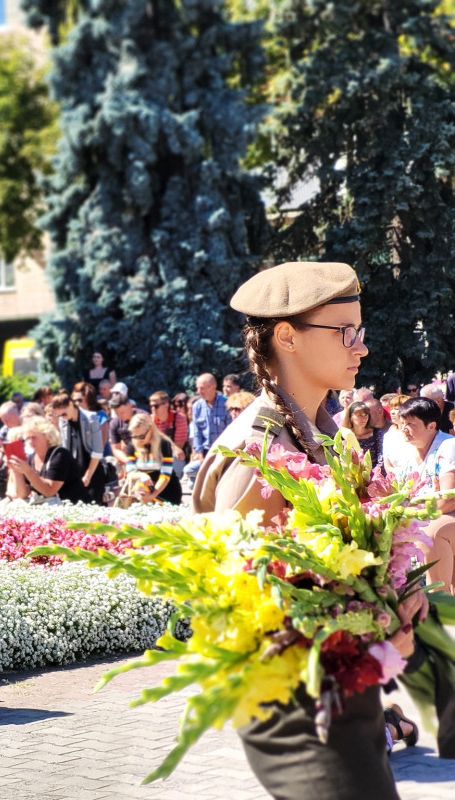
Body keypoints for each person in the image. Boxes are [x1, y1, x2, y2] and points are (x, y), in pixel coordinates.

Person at [192, 260, 423, 800]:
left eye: (360, 333)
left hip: (342, 695)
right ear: (287, 337)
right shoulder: (258, 446)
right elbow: (229, 592)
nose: (361, 348)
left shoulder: (324, 434)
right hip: (296, 709)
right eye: (346, 333)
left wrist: (389, 609)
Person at [386, 397, 455, 594]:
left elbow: (448, 500)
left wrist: (414, 514)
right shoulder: (407, 453)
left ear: (431, 425)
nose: (404, 429)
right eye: (402, 424)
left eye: (410, 424)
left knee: (431, 533)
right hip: (432, 517)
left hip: (444, 517)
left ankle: (439, 604)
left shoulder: (449, 446)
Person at [7, 416, 89, 504]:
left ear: (47, 436)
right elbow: (23, 494)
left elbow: (49, 491)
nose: (30, 442)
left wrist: (28, 471)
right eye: (27, 438)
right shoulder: (31, 459)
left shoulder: (60, 455)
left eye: (34, 437)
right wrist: (15, 470)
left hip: (74, 508)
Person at [50, 392, 106, 504]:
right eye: (59, 415)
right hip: (73, 472)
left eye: (64, 414)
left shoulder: (91, 418)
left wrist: (88, 476)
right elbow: (64, 446)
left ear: (71, 404)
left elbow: (97, 450)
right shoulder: (63, 421)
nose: (62, 417)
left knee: (94, 506)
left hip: (92, 468)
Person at [124, 413, 182, 505]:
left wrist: (152, 495)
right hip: (143, 489)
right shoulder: (131, 446)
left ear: (150, 429)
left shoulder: (163, 444)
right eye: (135, 436)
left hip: (166, 490)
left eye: (141, 436)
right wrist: (141, 475)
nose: (138, 440)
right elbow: (130, 473)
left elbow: (165, 475)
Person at [184, 373, 230, 486]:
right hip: (205, 452)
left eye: (202, 388)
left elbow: (231, 430)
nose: (199, 391)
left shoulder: (226, 403)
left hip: (223, 452)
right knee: (189, 472)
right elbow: (196, 432)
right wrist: (199, 454)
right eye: (198, 388)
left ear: (213, 387)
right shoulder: (197, 406)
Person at [340, 400, 383, 469]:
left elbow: (381, 457)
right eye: (359, 415)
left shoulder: (377, 433)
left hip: (375, 474)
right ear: (351, 417)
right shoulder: (344, 435)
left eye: (366, 415)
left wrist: (374, 474)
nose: (364, 418)